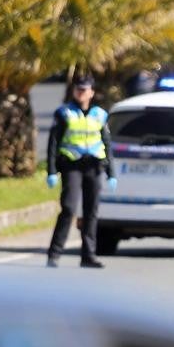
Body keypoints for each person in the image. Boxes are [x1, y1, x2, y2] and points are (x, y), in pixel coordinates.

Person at [46, 74, 117, 268]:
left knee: (91, 212)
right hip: (72, 165)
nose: (81, 92)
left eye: (84, 89)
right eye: (78, 89)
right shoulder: (64, 113)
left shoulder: (99, 115)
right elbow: (53, 143)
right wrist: (51, 170)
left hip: (94, 166)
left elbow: (106, 143)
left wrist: (112, 173)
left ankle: (88, 255)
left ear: (91, 92)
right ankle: (54, 253)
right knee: (68, 208)